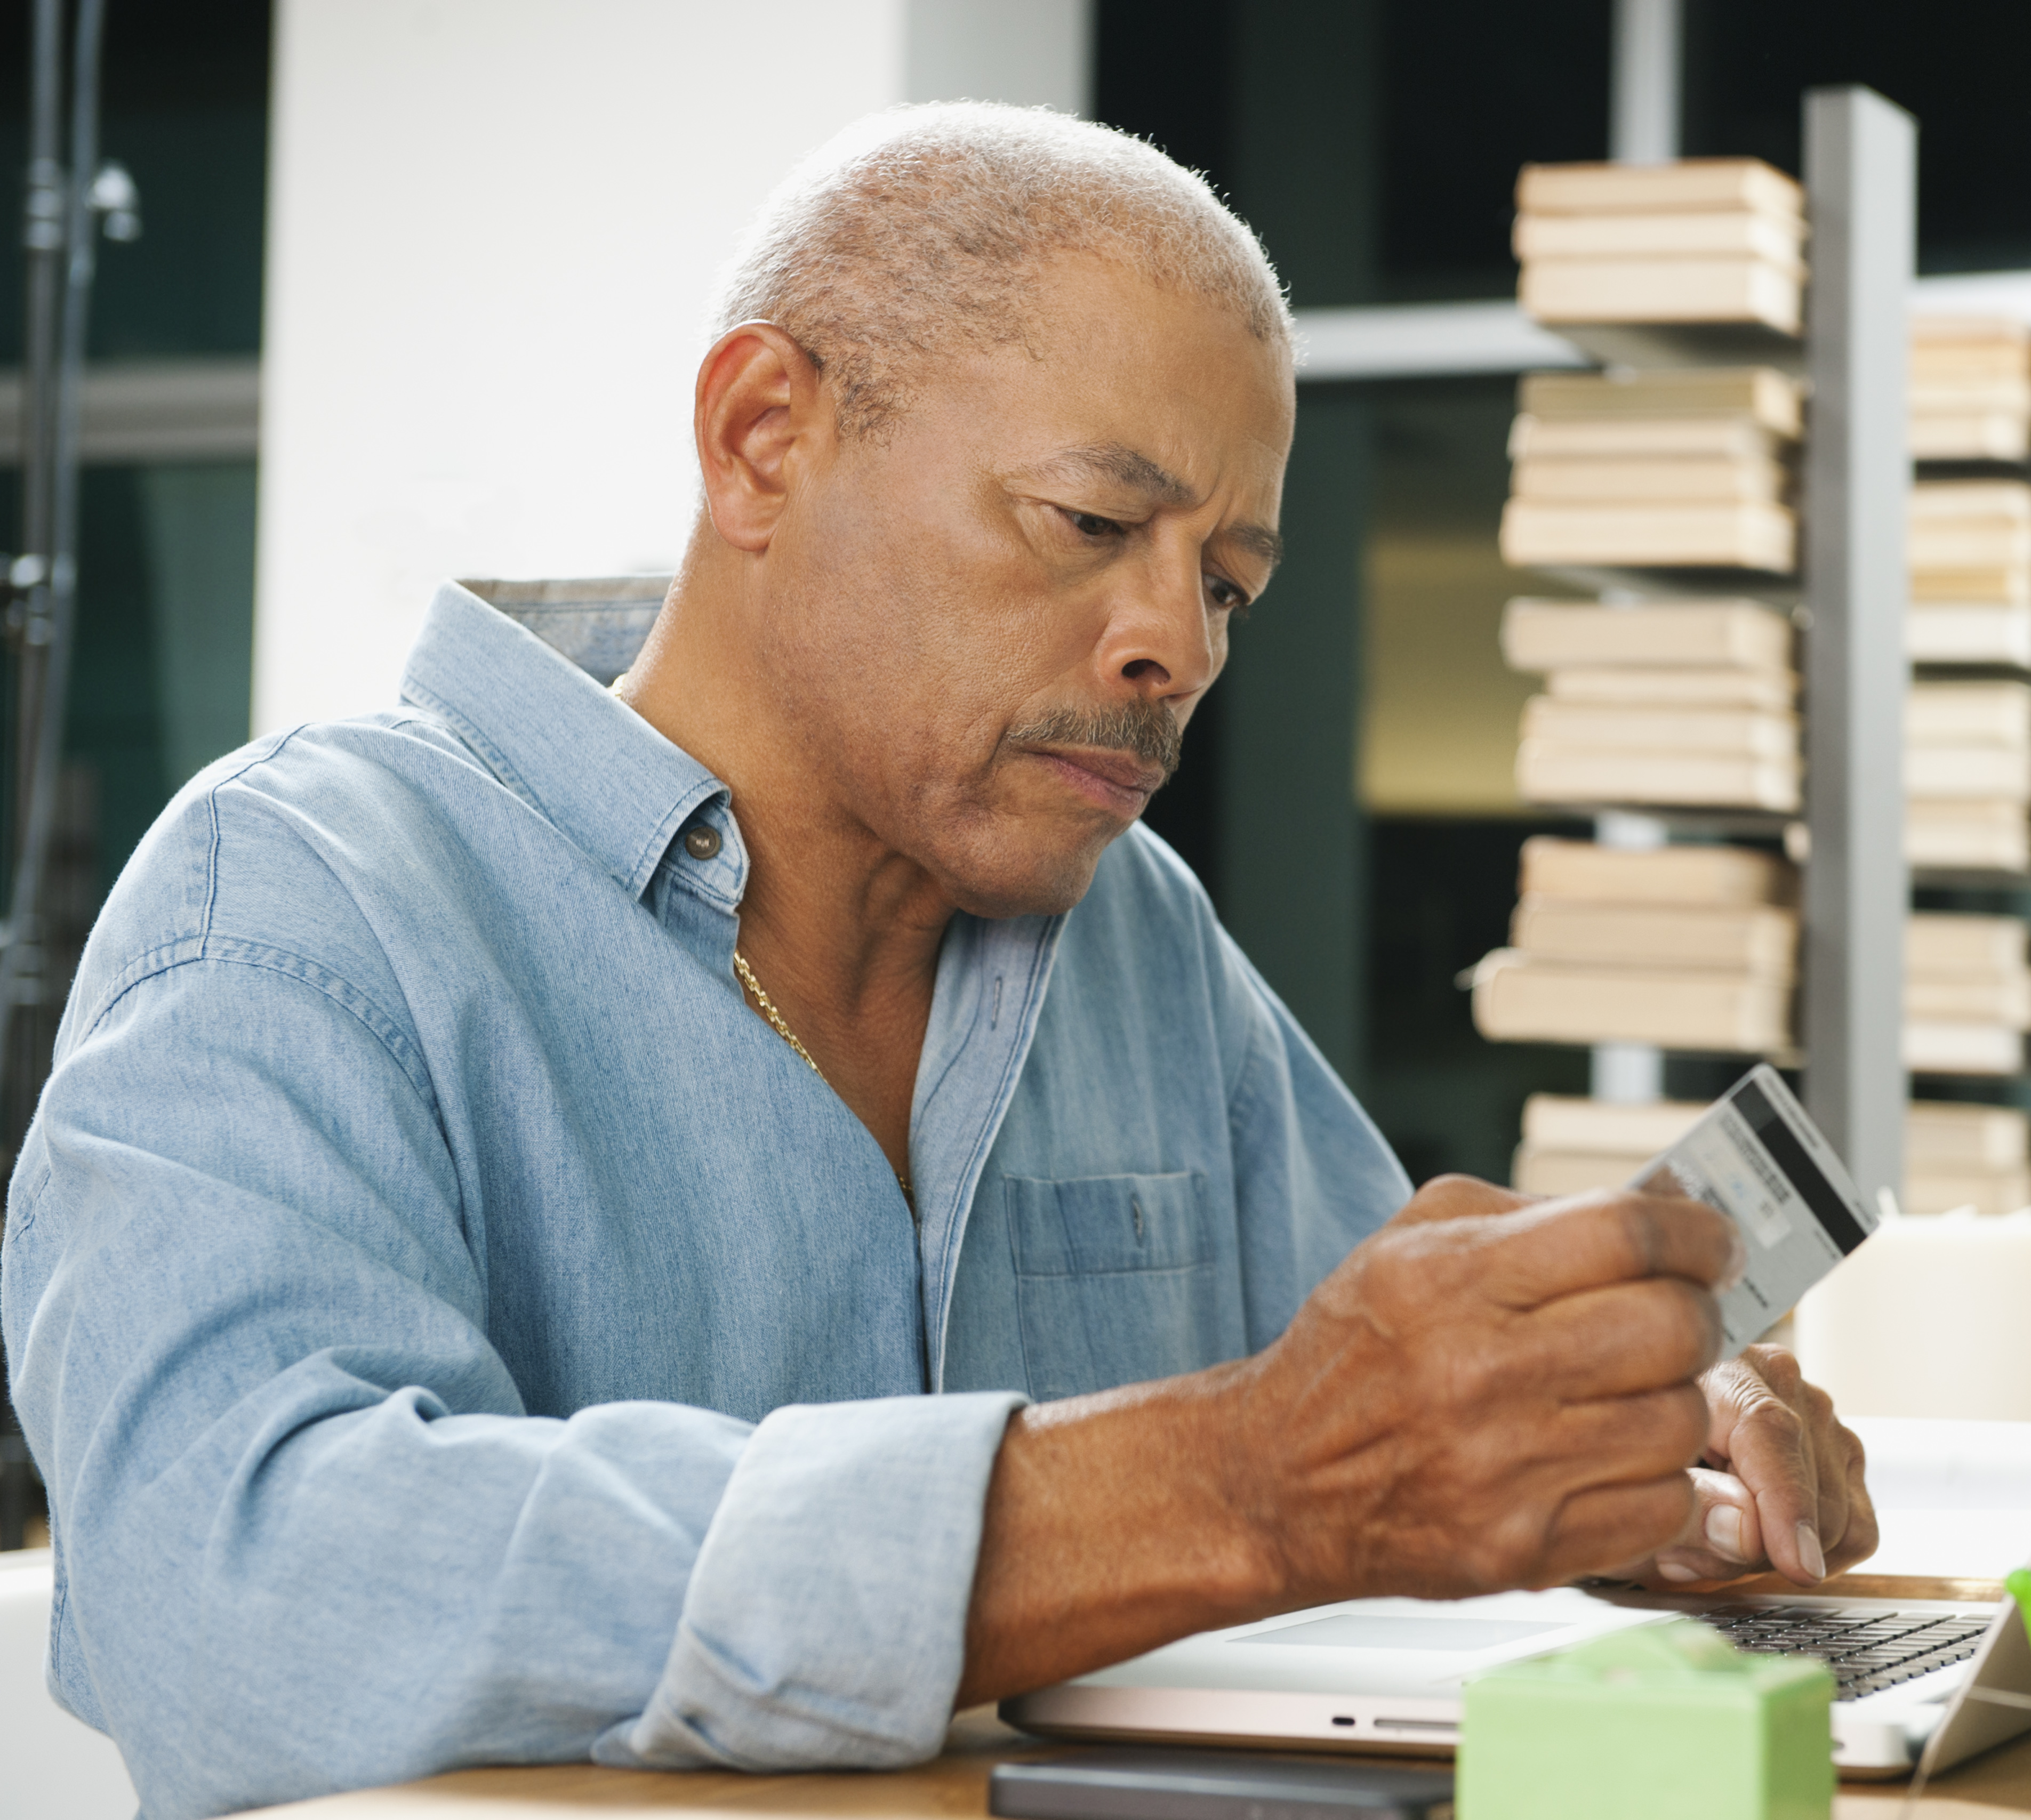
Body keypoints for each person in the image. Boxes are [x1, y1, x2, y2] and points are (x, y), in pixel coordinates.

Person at [0, 104, 1875, 1819]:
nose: (1177, 647)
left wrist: (1601, 1434)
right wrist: (1219, 1488)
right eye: (1092, 524)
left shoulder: (1131, 929)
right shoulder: (299, 899)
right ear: (763, 438)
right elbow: (232, 1598)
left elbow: (1359, 1399)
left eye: (1226, 580)